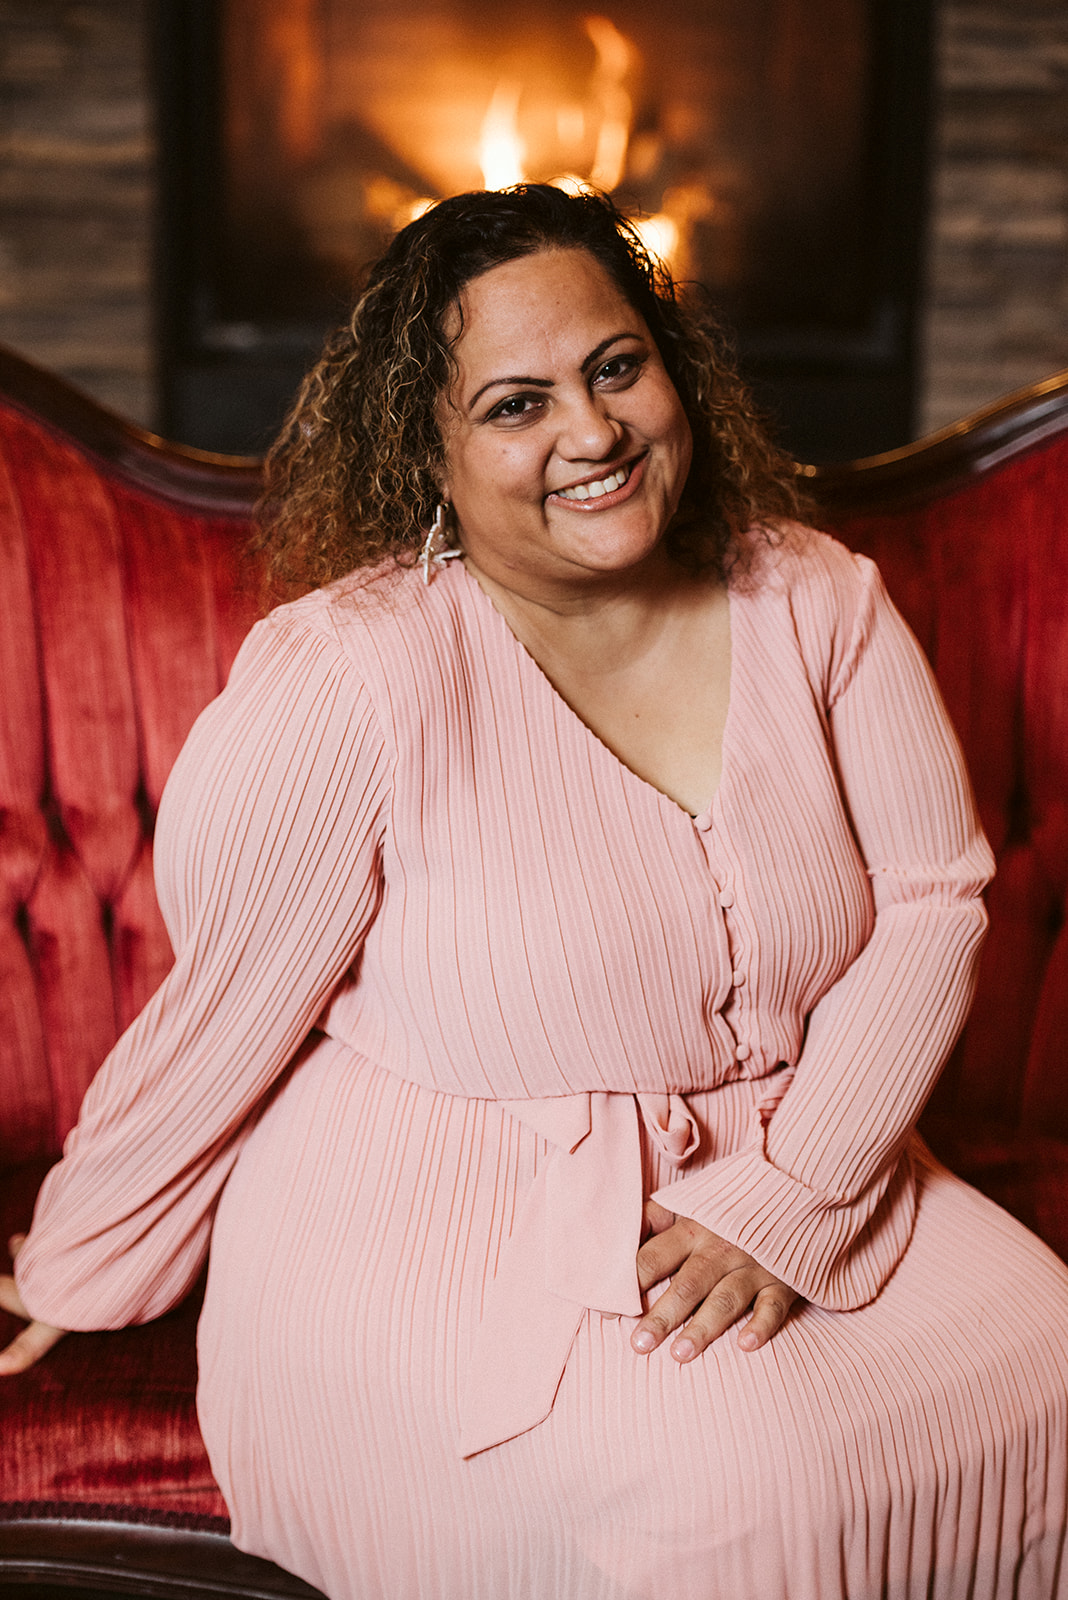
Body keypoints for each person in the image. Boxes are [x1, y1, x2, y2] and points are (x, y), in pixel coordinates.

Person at [2, 184, 1067, 1600]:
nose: (594, 432)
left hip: (817, 1146)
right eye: (517, 404)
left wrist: (796, 1191)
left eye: (617, 367)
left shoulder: (816, 596)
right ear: (428, 451)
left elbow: (935, 901)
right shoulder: (349, 676)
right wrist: (84, 1259)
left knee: (1050, 1364)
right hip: (449, 1222)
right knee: (748, 1494)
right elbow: (225, 1015)